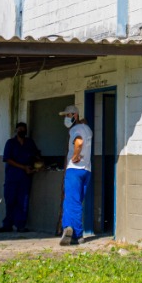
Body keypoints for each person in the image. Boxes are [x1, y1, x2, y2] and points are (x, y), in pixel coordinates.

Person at [59, 103, 92, 246]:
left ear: (74, 116)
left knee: (71, 201)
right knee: (76, 201)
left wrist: (75, 155)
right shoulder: (87, 129)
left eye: (67, 115)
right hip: (86, 170)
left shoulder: (75, 130)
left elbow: (78, 142)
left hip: (74, 169)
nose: (66, 118)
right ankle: (73, 232)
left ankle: (72, 230)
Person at [0, 121, 41, 232]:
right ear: (16, 130)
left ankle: (20, 225)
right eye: (20, 129)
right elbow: (7, 159)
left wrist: (38, 165)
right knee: (10, 200)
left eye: (23, 129)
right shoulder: (10, 143)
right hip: (12, 177)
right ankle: (7, 225)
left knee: (23, 201)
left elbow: (36, 155)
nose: (22, 131)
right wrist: (23, 167)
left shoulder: (30, 143)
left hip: (25, 177)